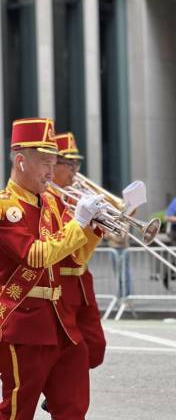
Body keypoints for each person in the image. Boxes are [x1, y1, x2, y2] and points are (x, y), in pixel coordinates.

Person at [0, 118, 103, 419]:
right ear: (20, 162)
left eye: (53, 162)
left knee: (73, 407)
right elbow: (35, 255)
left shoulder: (51, 205)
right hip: (25, 324)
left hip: (61, 324)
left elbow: (74, 260)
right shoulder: (6, 208)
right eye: (45, 162)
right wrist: (79, 224)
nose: (50, 170)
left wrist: (93, 230)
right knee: (18, 412)